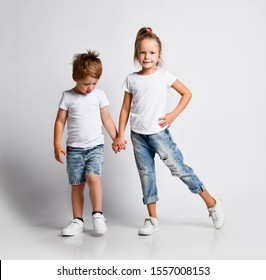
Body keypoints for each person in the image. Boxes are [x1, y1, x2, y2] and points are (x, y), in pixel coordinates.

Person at [112, 27, 225, 235]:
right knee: (146, 174)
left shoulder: (164, 76)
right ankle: (152, 218)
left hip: (158, 134)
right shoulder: (131, 79)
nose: (147, 56)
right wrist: (119, 134)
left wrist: (172, 115)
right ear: (137, 54)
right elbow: (125, 108)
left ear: (159, 55)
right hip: (138, 135)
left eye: (152, 53)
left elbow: (187, 94)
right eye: (143, 52)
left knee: (178, 168)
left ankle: (211, 202)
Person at [54, 50, 118, 236]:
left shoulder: (99, 95)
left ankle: (98, 215)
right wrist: (56, 144)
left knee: (93, 178)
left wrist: (116, 138)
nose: (90, 87)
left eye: (94, 83)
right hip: (74, 149)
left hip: (95, 147)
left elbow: (106, 118)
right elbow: (60, 121)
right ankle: (77, 220)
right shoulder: (67, 96)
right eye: (86, 84)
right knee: (77, 184)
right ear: (74, 77)